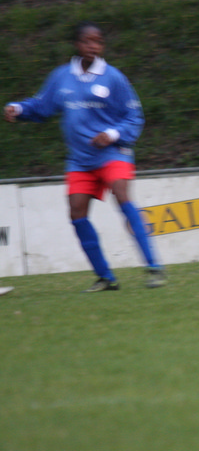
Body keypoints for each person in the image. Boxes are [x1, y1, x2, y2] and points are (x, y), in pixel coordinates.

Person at [4, 21, 166, 292]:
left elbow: (134, 117)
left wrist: (111, 135)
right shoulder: (62, 76)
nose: (94, 46)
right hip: (80, 159)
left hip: (112, 153)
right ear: (77, 44)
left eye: (98, 42)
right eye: (88, 41)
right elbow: (42, 106)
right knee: (76, 211)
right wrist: (18, 109)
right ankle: (105, 278)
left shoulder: (113, 77)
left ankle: (154, 267)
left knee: (122, 195)